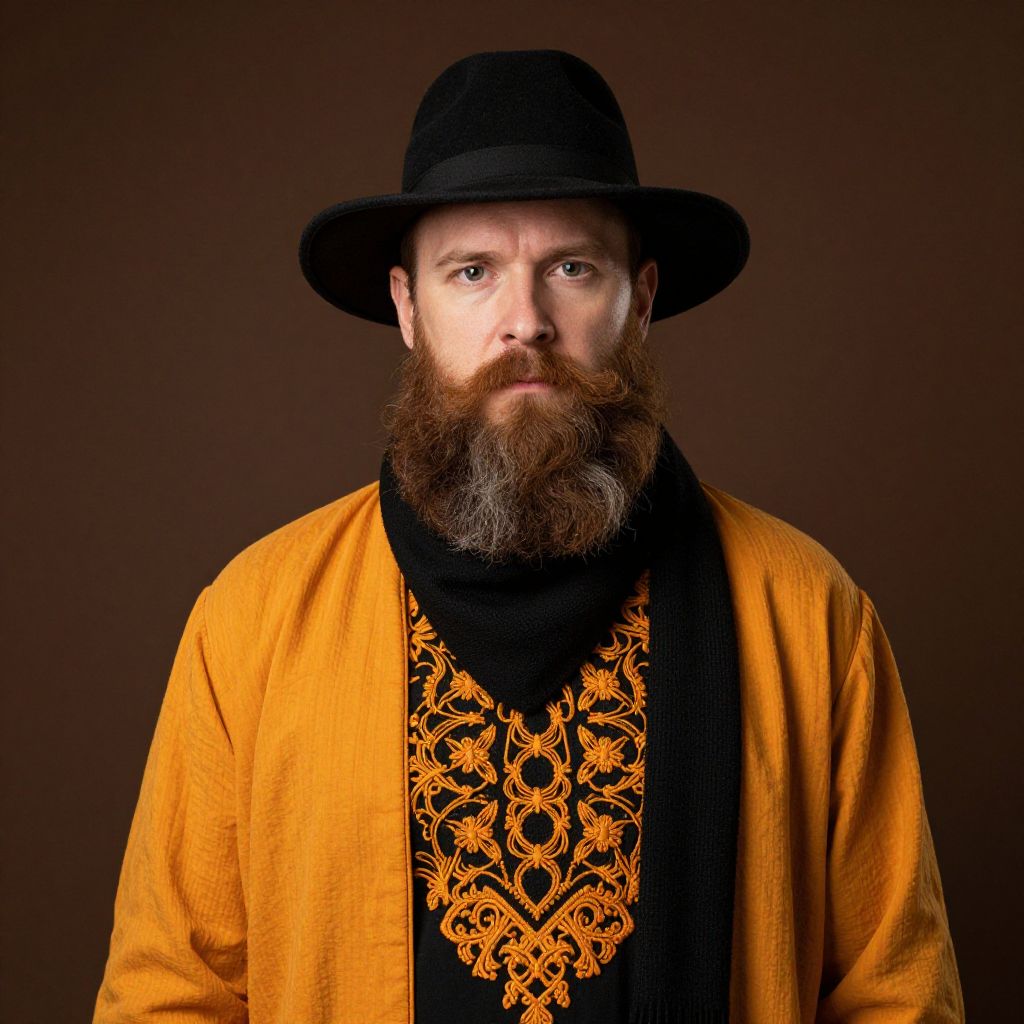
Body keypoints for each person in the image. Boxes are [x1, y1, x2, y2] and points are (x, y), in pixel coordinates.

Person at [92, 49, 965, 1024]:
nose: (525, 321)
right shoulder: (250, 624)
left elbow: (900, 996)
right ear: (406, 307)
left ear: (638, 299)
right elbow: (170, 995)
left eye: (571, 268)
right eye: (472, 271)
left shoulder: (807, 614)